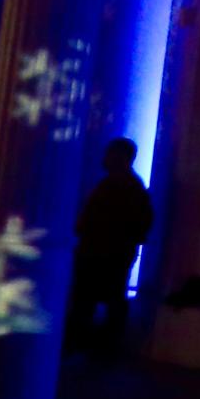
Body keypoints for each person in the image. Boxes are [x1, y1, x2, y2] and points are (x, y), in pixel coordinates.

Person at [69, 137, 156, 360]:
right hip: (111, 253)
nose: (105, 158)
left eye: (110, 154)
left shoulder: (118, 187)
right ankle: (101, 349)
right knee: (108, 299)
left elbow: (91, 219)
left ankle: (93, 347)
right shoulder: (129, 187)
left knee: (92, 299)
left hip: (104, 253)